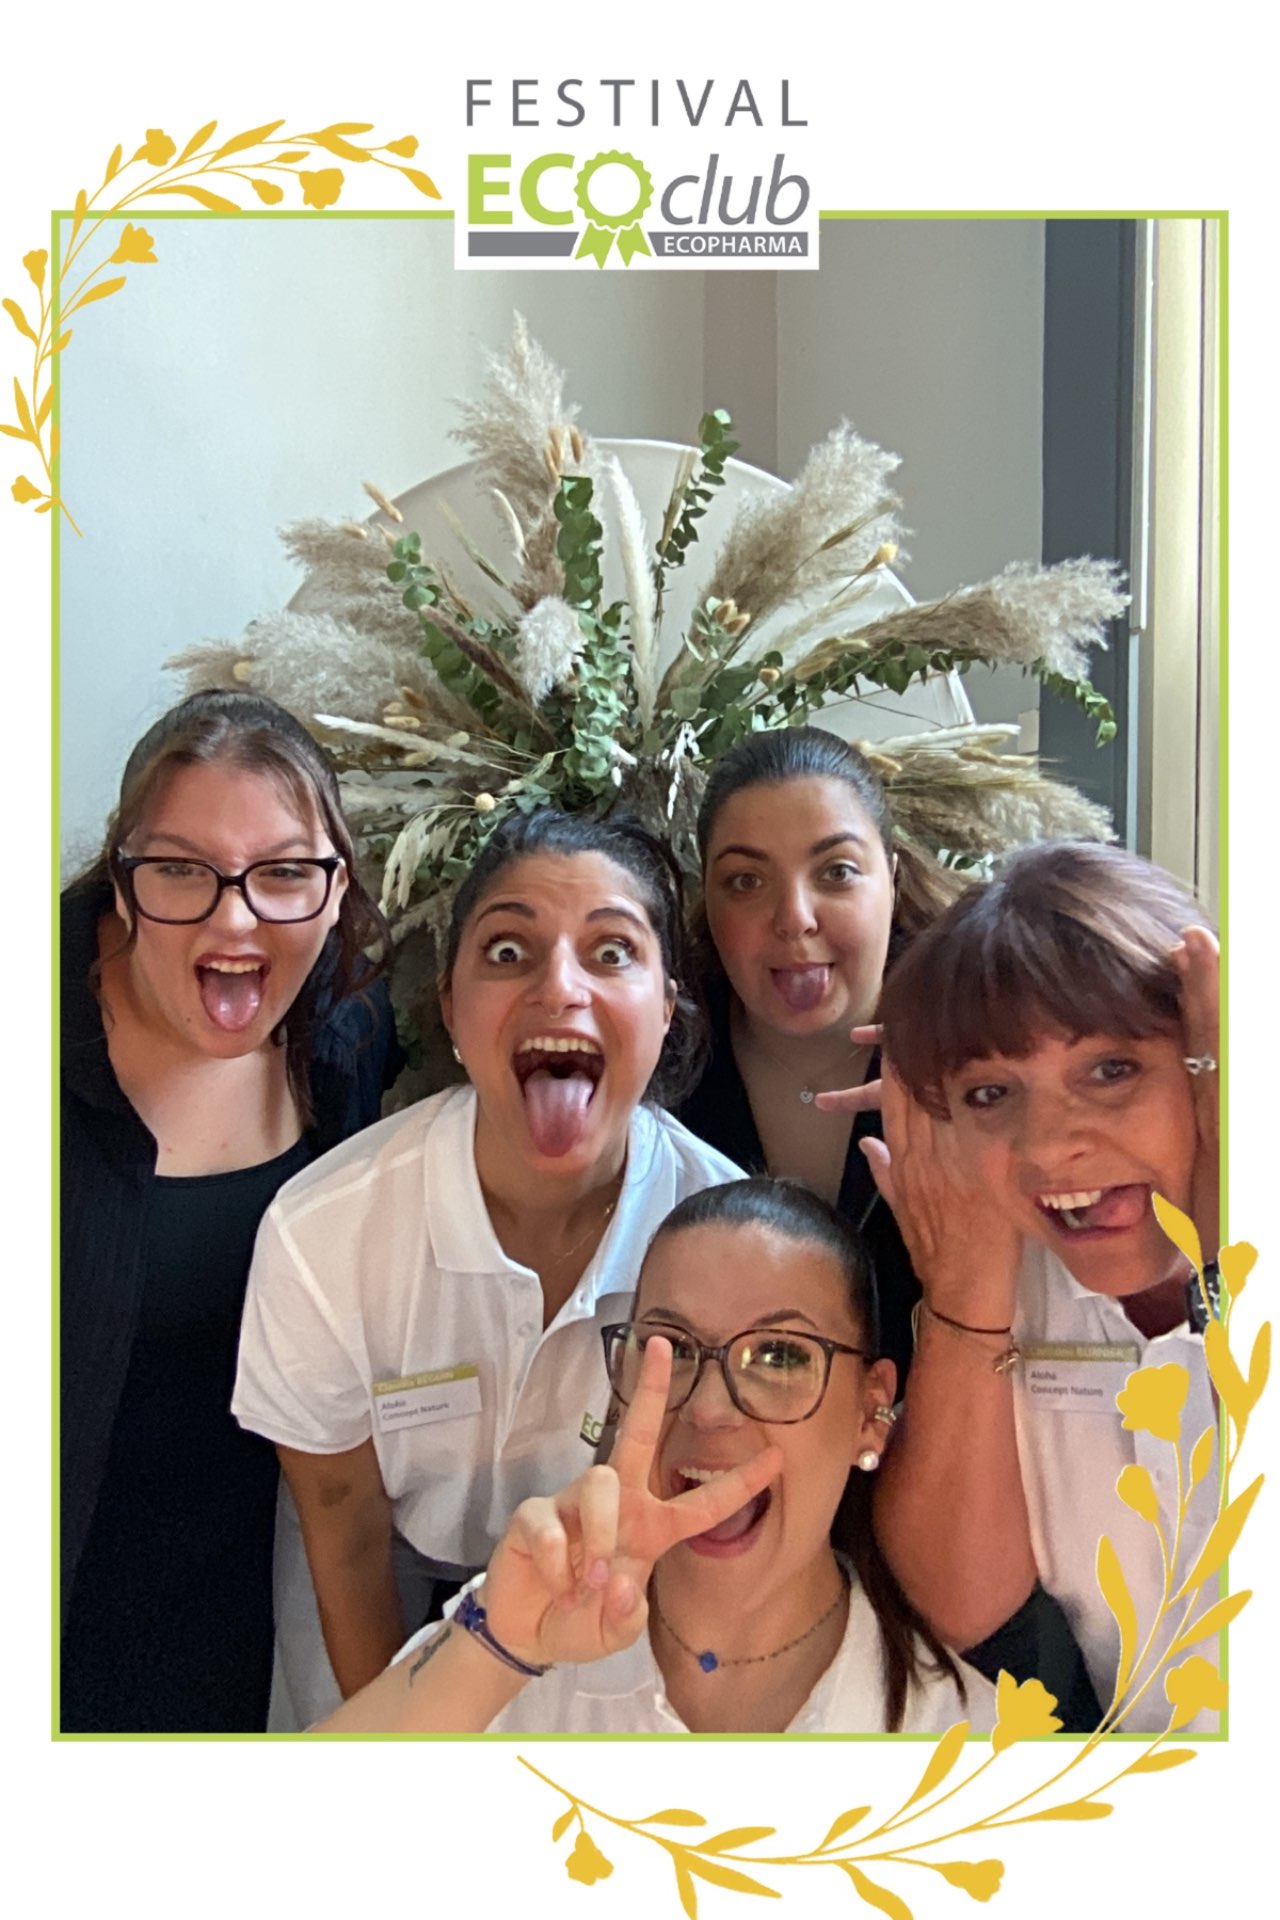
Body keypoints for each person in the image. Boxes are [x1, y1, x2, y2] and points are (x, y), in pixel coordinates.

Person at [232, 808, 744, 1728]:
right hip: (379, 1580)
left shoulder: (729, 1240)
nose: (560, 987)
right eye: (508, 951)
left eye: (613, 952)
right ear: (451, 1009)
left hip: (611, 1600)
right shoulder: (325, 1233)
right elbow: (344, 1535)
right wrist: (414, 1747)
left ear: (667, 1007)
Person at [318, 1180, 996, 1736]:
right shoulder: (516, 1618)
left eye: (778, 1355)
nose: (709, 1408)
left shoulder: (967, 1738)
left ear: (870, 1414)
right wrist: (497, 1650)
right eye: (671, 1348)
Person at [61, 689, 398, 1733]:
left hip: (237, 1630)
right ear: (122, 882)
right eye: (180, 870)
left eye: (285, 873)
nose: (235, 918)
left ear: (336, 889)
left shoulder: (347, 1035)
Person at [868, 841, 1220, 1732]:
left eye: (1111, 1070)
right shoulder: (1012, 1287)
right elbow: (964, 1611)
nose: (1048, 1145)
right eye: (991, 1094)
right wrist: (966, 1289)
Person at [677, 725, 962, 1389]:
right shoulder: (663, 1075)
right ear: (708, 902)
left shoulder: (979, 1056)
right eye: (746, 881)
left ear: (891, 877)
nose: (794, 917)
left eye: (836, 872)